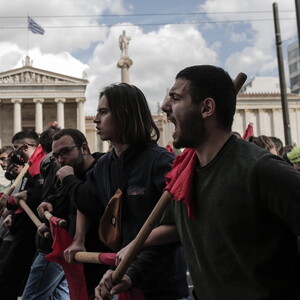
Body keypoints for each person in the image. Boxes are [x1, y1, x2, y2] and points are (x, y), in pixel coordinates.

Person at [101, 65, 300, 300]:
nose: (164, 107)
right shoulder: (183, 176)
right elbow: (168, 238)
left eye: (175, 98)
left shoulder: (259, 169)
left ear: (206, 108)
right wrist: (130, 274)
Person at [57, 83, 189, 300]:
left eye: (103, 112)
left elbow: (180, 225)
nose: (96, 119)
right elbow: (87, 201)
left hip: (162, 284)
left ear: (124, 115)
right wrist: (78, 238)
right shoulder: (103, 165)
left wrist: (136, 244)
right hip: (121, 279)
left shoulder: (161, 162)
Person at [36, 128, 110, 300]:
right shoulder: (71, 173)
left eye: (65, 152)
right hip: (80, 264)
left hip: (103, 263)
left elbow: (92, 206)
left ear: (84, 148)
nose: (61, 160)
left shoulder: (102, 169)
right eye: (56, 156)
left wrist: (69, 180)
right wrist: (49, 206)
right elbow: (64, 202)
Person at [0, 130, 46, 300]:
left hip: (30, 228)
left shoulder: (39, 164)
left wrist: (12, 202)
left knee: (8, 274)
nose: (15, 154)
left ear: (25, 147)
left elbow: (37, 196)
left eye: (17, 148)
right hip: (22, 225)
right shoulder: (31, 165)